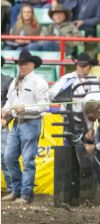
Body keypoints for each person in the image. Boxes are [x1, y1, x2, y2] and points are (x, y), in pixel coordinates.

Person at [1, 49, 50, 204]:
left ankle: (25, 194)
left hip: (31, 123)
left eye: (25, 63)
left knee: (28, 159)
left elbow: (45, 105)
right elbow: (10, 100)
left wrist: (26, 109)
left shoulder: (39, 82)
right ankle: (17, 190)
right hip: (16, 123)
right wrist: (5, 109)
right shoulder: (16, 81)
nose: (22, 66)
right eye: (20, 63)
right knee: (8, 157)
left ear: (32, 65)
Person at [1, 56, 14, 194]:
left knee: (5, 157)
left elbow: (12, 102)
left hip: (1, 124)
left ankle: (13, 188)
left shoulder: (7, 81)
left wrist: (6, 119)